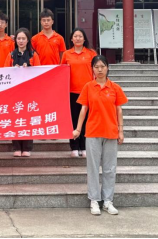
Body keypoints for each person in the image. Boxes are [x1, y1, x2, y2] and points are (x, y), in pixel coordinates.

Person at [73, 55, 128, 217]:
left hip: (111, 132)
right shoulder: (88, 87)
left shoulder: (115, 88)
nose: (99, 70)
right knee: (93, 167)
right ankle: (94, 200)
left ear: (107, 68)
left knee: (110, 168)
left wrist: (121, 131)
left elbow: (119, 110)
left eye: (102, 66)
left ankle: (108, 201)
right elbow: (83, 109)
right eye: (96, 67)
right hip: (93, 132)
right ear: (92, 69)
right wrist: (78, 129)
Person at [61, 28, 98, 158]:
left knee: (87, 120)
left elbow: (97, 70)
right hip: (71, 91)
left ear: (84, 39)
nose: (77, 38)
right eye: (75, 36)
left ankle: (84, 146)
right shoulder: (67, 54)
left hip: (88, 91)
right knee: (74, 119)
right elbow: (61, 72)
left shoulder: (91, 53)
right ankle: (74, 147)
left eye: (80, 36)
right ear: (71, 39)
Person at [6, 28, 41, 157]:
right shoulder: (11, 55)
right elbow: (5, 72)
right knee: (15, 118)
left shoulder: (33, 55)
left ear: (28, 40)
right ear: (15, 40)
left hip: (29, 92)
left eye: (23, 39)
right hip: (14, 91)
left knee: (28, 118)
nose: (21, 41)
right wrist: (13, 69)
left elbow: (38, 72)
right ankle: (16, 147)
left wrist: (29, 69)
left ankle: (27, 147)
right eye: (19, 38)